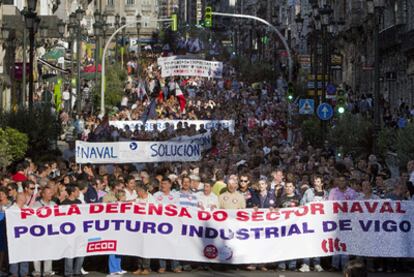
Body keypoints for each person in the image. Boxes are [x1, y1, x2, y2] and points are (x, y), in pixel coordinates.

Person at [299, 175, 328, 272]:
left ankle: (317, 264)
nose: (316, 183)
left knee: (317, 244)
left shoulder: (326, 194)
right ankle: (306, 264)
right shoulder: (308, 192)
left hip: (320, 223)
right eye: (315, 181)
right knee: (307, 243)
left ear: (322, 183)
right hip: (308, 221)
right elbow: (302, 203)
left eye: (318, 181)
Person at [153, 178, 181, 273]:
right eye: (162, 184)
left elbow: (177, 208)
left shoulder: (175, 196)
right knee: (162, 245)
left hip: (172, 224)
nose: (163, 185)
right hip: (160, 224)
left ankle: (175, 266)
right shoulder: (156, 195)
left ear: (170, 185)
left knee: (173, 244)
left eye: (165, 183)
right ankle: (162, 266)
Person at [32, 187, 56, 277]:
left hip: (49, 233)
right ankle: (37, 272)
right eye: (49, 193)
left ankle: (47, 271)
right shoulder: (36, 205)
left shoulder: (53, 204)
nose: (51, 195)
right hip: (38, 233)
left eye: (51, 193)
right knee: (37, 253)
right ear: (43, 194)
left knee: (48, 252)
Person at [61, 184, 84, 277]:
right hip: (68, 232)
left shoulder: (79, 202)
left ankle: (77, 271)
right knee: (69, 253)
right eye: (78, 191)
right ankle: (68, 273)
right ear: (73, 192)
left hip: (79, 231)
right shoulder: (64, 203)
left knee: (81, 252)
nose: (79, 192)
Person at [133, 182, 153, 275]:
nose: (136, 192)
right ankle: (139, 267)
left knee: (146, 248)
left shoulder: (151, 199)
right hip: (138, 227)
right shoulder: (137, 199)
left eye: (137, 191)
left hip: (148, 227)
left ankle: (146, 267)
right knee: (138, 247)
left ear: (142, 191)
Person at [8, 193, 29, 277]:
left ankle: (24, 273)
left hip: (25, 236)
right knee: (14, 254)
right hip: (14, 237)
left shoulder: (27, 209)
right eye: (25, 197)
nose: (26, 199)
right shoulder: (11, 210)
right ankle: (14, 273)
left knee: (25, 254)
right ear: (21, 199)